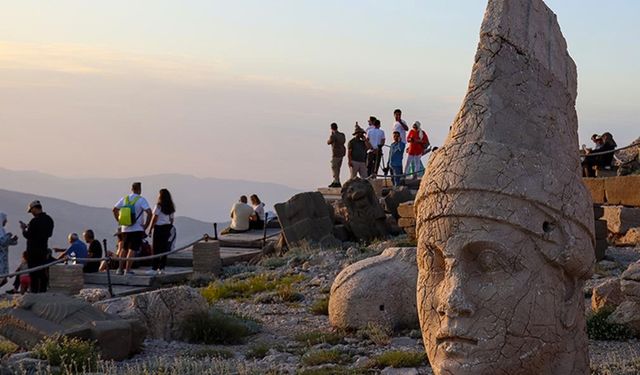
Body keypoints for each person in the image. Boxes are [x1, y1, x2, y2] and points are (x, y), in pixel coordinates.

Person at [112, 182, 152, 276]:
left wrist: (119, 219)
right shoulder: (141, 200)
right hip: (137, 228)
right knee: (132, 249)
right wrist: (146, 225)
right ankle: (128, 270)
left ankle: (120, 269)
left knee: (124, 248)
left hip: (125, 228)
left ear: (131, 189)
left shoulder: (124, 199)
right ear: (140, 189)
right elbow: (149, 212)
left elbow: (114, 209)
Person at [20, 200, 54, 293]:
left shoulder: (34, 221)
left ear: (35, 208)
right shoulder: (49, 220)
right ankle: (43, 291)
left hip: (33, 251)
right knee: (42, 272)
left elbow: (28, 235)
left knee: (33, 274)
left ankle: (34, 292)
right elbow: (49, 234)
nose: (32, 213)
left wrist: (24, 229)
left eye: (32, 211)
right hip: (43, 250)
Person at [148, 189, 175, 275]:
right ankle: (162, 267)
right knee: (164, 248)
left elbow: (154, 217)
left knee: (156, 248)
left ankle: (154, 268)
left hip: (159, 227)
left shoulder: (159, 206)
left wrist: (150, 228)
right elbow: (171, 219)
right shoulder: (171, 206)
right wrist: (169, 226)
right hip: (167, 227)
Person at [0, 212, 18, 287]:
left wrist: (13, 240)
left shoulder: (2, 230)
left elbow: (6, 242)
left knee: (4, 279)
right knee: (2, 278)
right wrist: (8, 236)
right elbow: (2, 242)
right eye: (5, 220)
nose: (6, 222)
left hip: (3, 257)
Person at [327, 123, 346, 188]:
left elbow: (329, 142)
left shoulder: (333, 135)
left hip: (336, 153)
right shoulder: (342, 135)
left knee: (334, 167)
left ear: (331, 128)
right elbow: (343, 141)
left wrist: (331, 136)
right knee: (338, 168)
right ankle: (337, 181)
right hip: (342, 153)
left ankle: (336, 181)